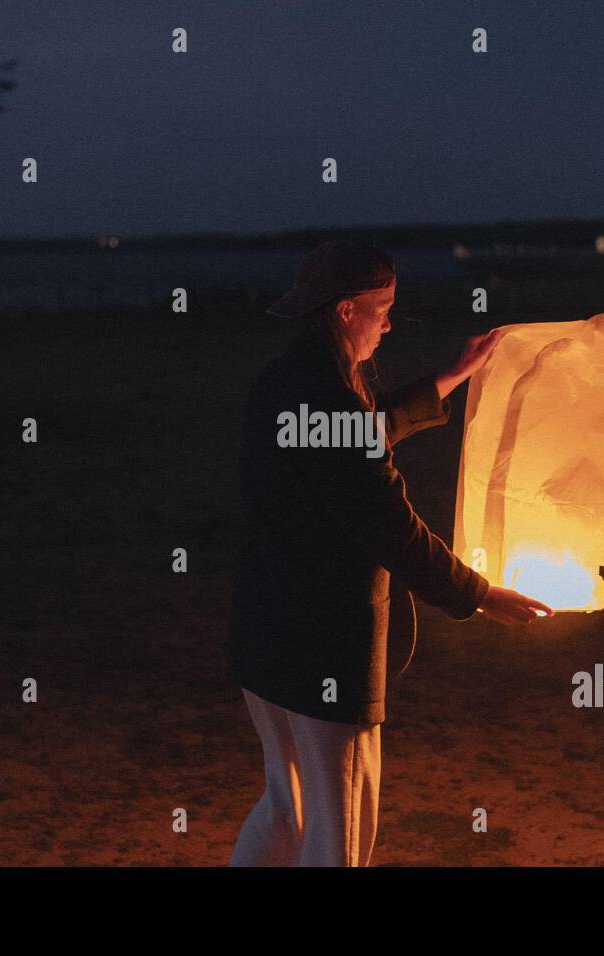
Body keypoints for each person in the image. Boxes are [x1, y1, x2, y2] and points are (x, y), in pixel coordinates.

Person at [226, 238, 553, 867]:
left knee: (287, 807)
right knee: (339, 833)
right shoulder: (329, 394)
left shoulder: (286, 380)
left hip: (264, 636)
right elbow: (392, 528)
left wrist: (452, 376)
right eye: (383, 307)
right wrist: (478, 595)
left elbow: (353, 440)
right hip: (323, 648)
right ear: (347, 310)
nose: (390, 321)